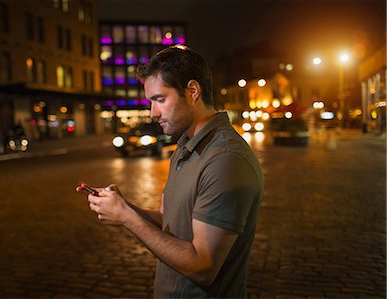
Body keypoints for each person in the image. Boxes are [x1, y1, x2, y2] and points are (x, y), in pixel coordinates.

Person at [77, 45, 264, 298]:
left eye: (160, 99)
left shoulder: (226, 159)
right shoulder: (185, 146)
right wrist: (124, 207)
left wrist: (127, 218)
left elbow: (202, 267)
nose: (153, 113)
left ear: (192, 91)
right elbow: (169, 221)